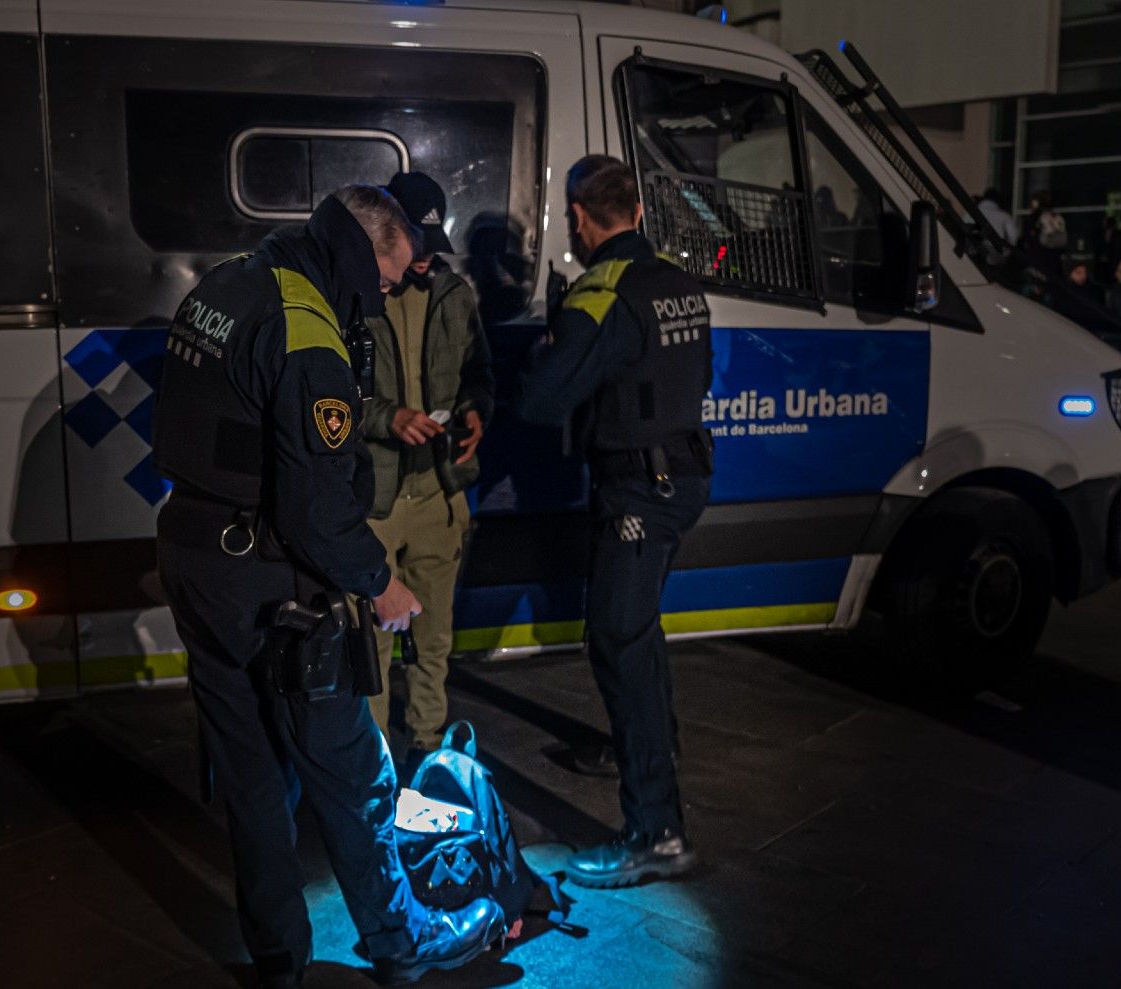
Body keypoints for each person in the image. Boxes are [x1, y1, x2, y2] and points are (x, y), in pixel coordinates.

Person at [151, 186, 503, 987]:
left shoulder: (231, 280)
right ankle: (401, 938)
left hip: (194, 553)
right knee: (353, 768)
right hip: (270, 580)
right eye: (387, 275)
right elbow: (312, 506)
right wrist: (380, 583)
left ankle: (276, 952)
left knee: (249, 771)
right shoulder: (307, 327)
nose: (387, 290)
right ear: (364, 248)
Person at [515, 155, 713, 889]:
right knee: (639, 633)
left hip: (638, 488)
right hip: (683, 476)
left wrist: (549, 351)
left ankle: (656, 831)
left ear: (579, 216)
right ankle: (650, 750)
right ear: (634, 209)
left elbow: (540, 400)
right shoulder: (678, 281)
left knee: (618, 641)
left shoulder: (604, 292)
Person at [360, 171, 493, 763]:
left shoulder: (454, 294)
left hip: (439, 493)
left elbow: (479, 378)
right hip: (376, 503)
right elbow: (331, 401)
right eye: (415, 243)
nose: (422, 261)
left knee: (435, 641)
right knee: (373, 648)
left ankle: (430, 748)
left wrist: (473, 415)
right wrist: (389, 418)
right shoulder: (358, 298)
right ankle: (376, 763)